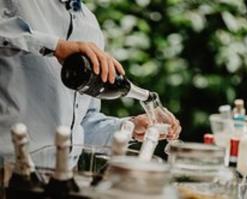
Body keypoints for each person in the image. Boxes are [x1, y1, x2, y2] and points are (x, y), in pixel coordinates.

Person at [0, 0, 181, 156]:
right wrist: (55, 46)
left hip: (62, 180)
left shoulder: (90, 26)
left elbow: (81, 125)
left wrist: (130, 127)